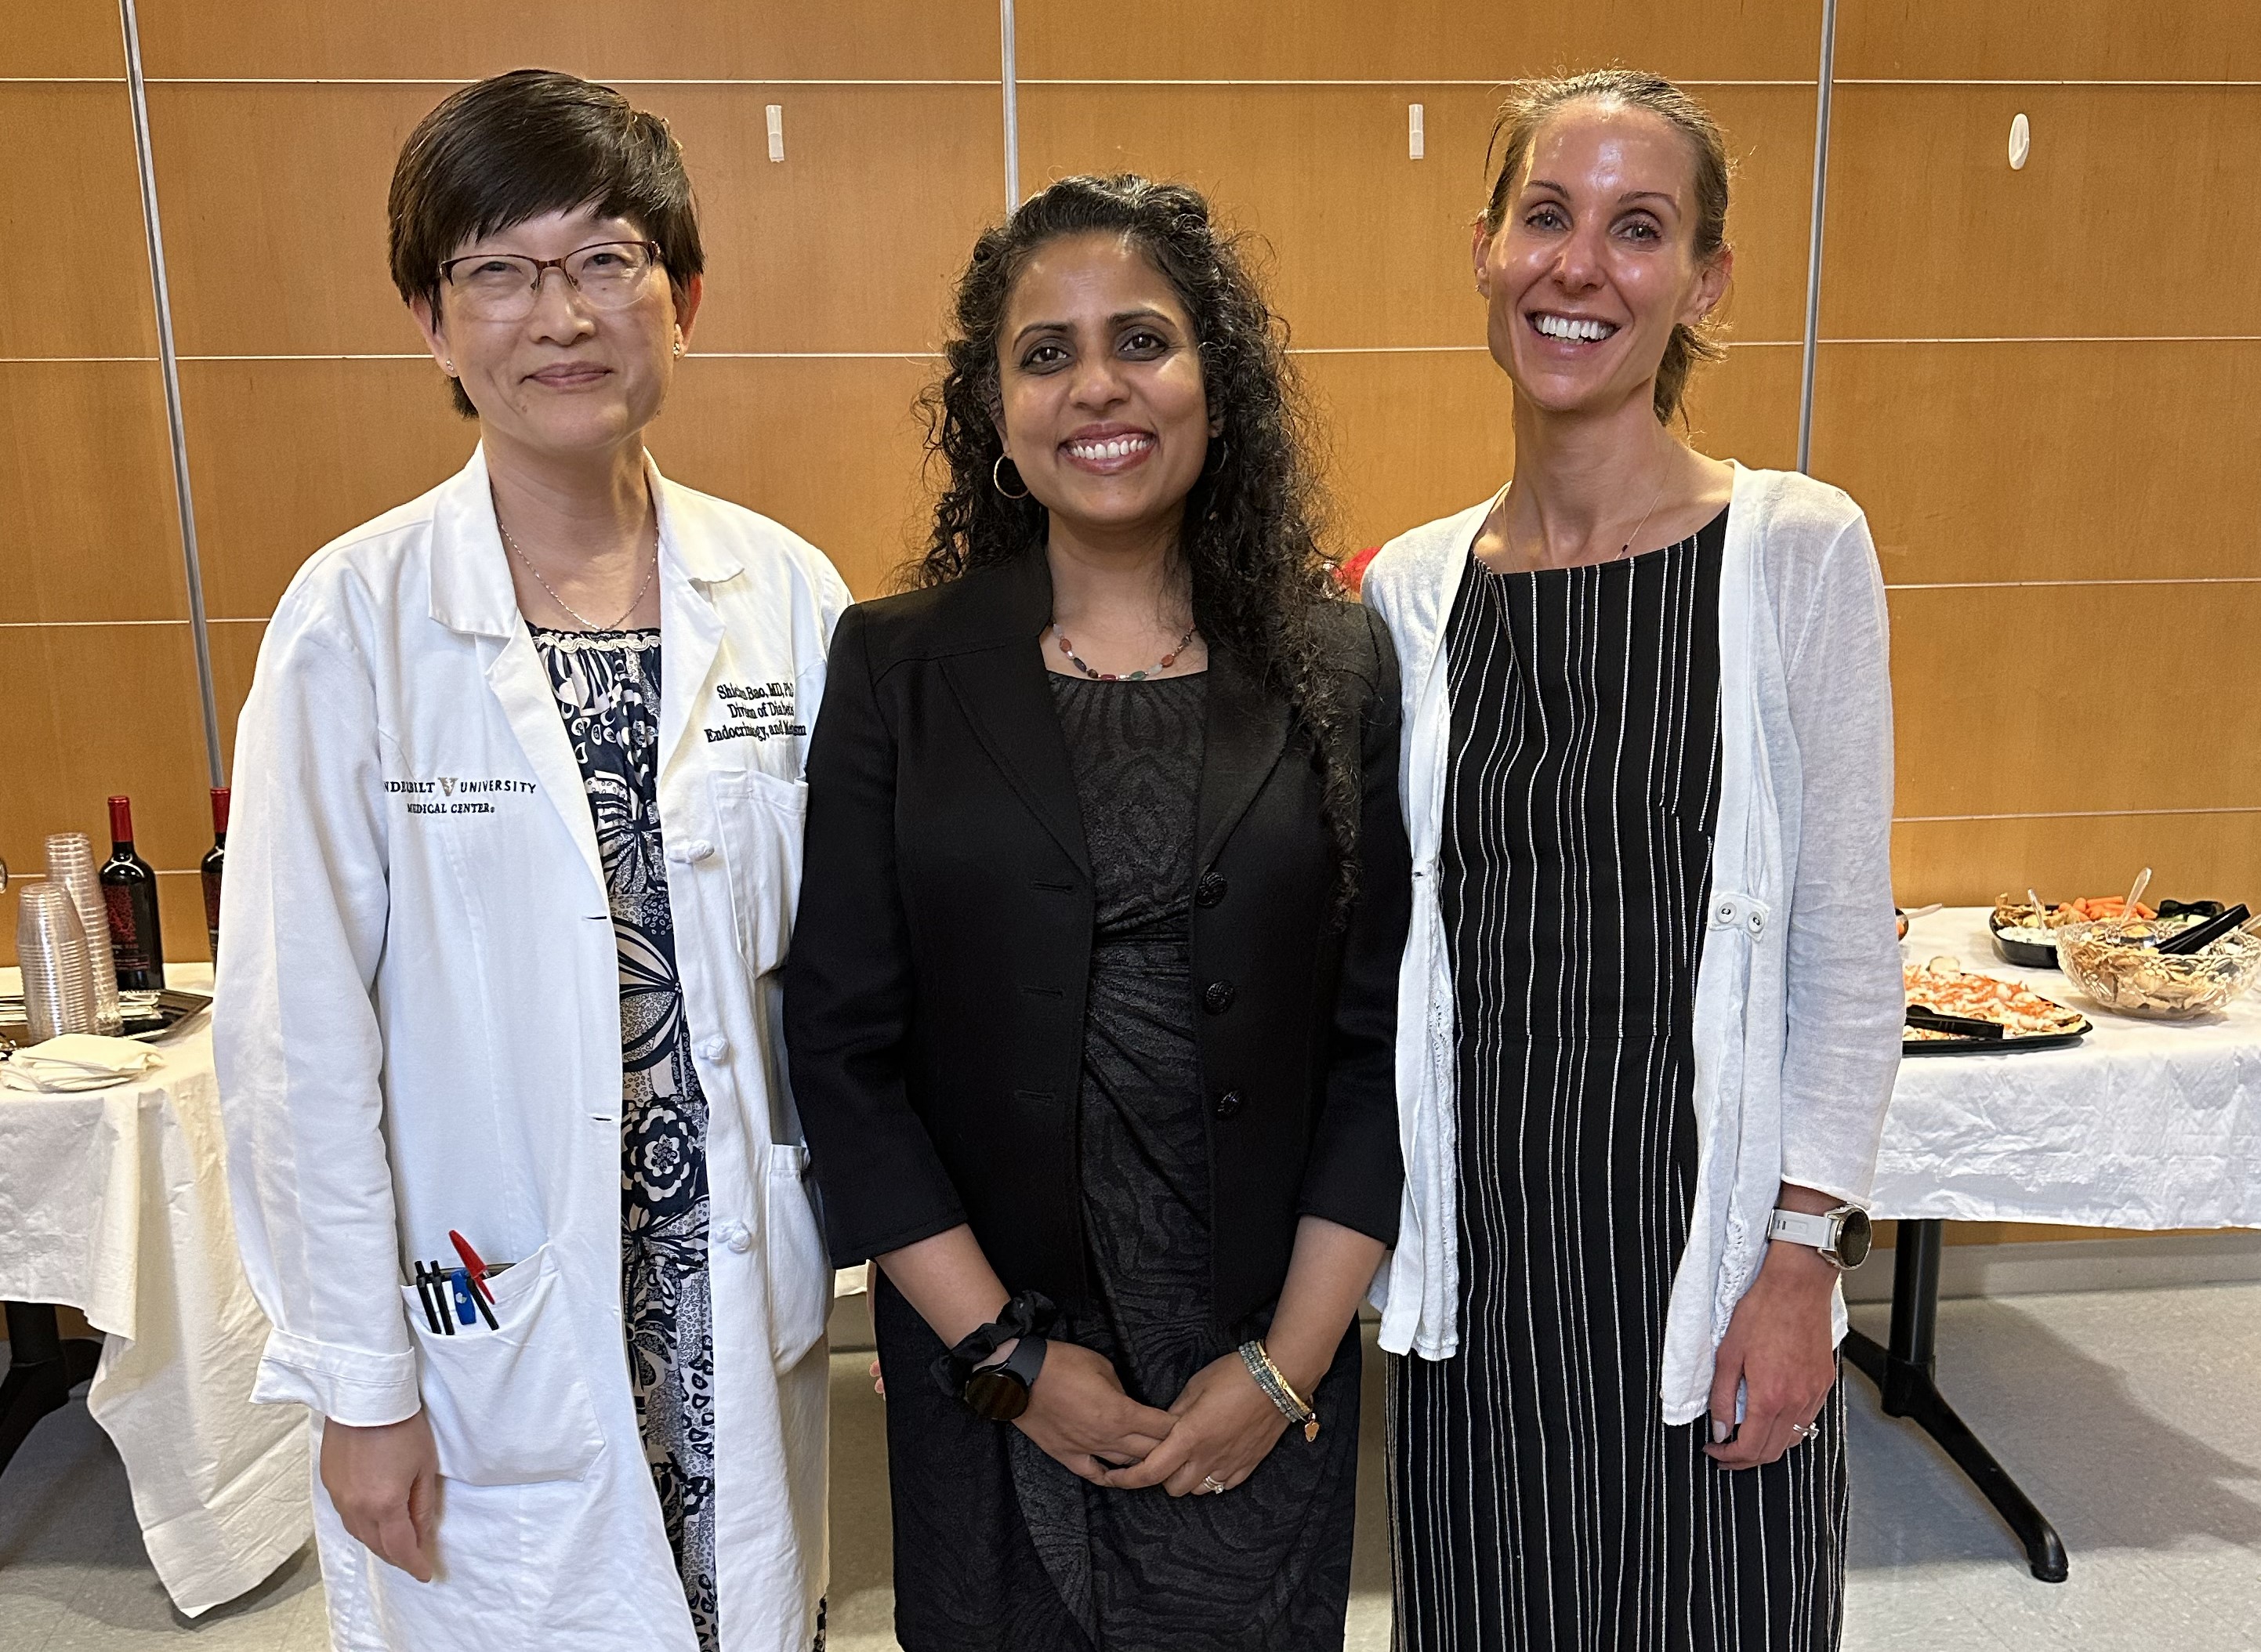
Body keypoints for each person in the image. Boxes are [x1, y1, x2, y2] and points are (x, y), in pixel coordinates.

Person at [216, 69, 848, 1652]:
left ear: (682, 296)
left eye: (605, 260)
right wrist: (359, 1387)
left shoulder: (787, 597)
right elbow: (293, 1049)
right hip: (480, 1313)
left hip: (726, 1298)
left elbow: (847, 976)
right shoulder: (352, 626)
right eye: (499, 270)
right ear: (432, 320)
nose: (558, 314)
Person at [783, 175, 1410, 1652]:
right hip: (992, 1363)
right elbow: (843, 1046)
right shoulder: (895, 668)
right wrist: (1006, 1358)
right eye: (1043, 353)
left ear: (1217, 383)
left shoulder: (1340, 665)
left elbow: (1382, 1044)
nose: (1097, 387)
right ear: (992, 411)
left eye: (1143, 338)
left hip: (1262, 1356)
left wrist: (1286, 1371)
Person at [1363, 71, 1901, 1650]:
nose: (1579, 266)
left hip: (1708, 1257)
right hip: (1483, 1268)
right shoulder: (1410, 590)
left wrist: (1803, 1263)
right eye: (1548, 215)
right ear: (1485, 246)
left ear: (1706, 280)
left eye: (1639, 229)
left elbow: (1845, 955)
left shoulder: (1797, 548)